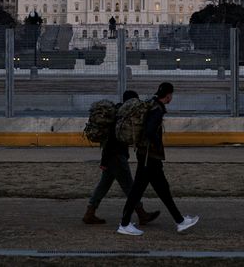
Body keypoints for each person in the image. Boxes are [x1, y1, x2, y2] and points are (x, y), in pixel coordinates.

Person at [117, 82, 199, 236]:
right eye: (171, 95)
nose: (171, 97)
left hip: (148, 156)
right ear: (168, 95)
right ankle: (124, 224)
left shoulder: (152, 104)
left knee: (162, 190)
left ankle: (180, 221)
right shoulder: (157, 110)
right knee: (137, 191)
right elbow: (149, 131)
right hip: (149, 157)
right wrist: (157, 143)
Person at [83, 89, 161, 226]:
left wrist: (105, 159)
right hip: (116, 157)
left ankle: (90, 213)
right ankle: (141, 214)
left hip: (112, 156)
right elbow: (112, 139)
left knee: (103, 185)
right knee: (130, 187)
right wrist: (105, 160)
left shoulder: (118, 112)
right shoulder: (121, 115)